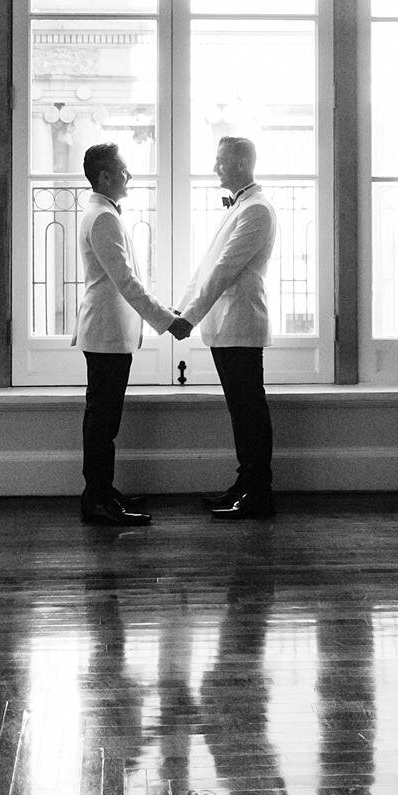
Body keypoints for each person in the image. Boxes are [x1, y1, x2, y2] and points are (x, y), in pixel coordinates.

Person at [73, 142, 190, 527]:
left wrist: (162, 314)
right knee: (103, 422)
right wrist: (167, 320)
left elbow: (126, 280)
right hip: (106, 332)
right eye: (124, 171)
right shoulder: (103, 217)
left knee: (104, 420)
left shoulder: (100, 212)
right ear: (105, 176)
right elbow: (126, 282)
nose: (129, 177)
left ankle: (102, 493)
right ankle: (97, 500)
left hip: (109, 332)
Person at [177, 136, 277, 519]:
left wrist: (188, 318)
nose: (215, 167)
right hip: (226, 323)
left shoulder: (257, 210)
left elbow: (224, 270)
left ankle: (258, 492)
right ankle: (245, 484)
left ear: (239, 164)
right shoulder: (242, 206)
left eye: (220, 161)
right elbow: (208, 265)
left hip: (240, 321)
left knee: (249, 408)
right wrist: (182, 308)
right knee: (241, 409)